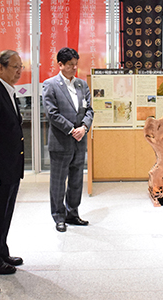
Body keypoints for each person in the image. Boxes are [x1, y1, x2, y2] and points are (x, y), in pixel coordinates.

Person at [42, 47, 94, 233]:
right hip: (61, 141)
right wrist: (72, 130)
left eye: (75, 64)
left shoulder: (82, 85)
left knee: (76, 180)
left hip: (79, 141)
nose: (74, 68)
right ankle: (58, 216)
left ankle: (73, 213)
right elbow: (52, 113)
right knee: (58, 181)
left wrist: (84, 127)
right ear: (60, 65)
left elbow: (89, 110)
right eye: (70, 65)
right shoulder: (50, 85)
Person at [0, 50, 25, 275]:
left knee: (7, 212)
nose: (19, 71)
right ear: (0, 68)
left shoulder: (9, 91)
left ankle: (2, 250)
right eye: (15, 67)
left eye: (21, 67)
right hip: (2, 168)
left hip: (12, 166)